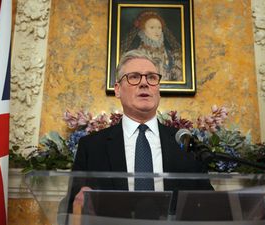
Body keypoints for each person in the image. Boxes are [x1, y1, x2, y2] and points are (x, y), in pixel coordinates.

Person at [65, 49, 212, 216]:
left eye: (151, 77)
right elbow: (71, 209)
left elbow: (208, 206)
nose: (144, 83)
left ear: (158, 88)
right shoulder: (91, 147)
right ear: (118, 90)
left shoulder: (186, 145)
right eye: (134, 77)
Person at [121, 10, 183, 81]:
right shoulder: (134, 55)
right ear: (142, 30)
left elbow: (179, 81)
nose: (157, 31)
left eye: (159, 28)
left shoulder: (173, 55)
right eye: (152, 27)